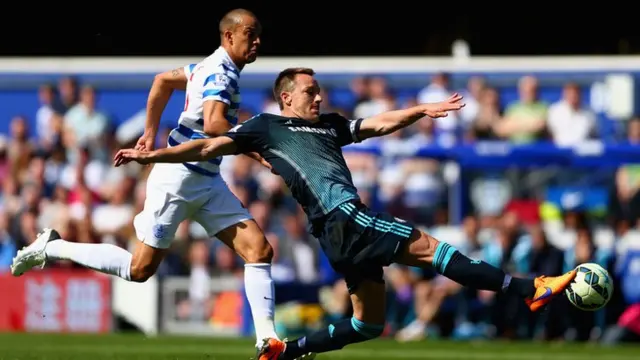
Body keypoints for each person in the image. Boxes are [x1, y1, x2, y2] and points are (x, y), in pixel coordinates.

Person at [114, 67, 578, 360]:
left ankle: (288, 351)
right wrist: (152, 156)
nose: (319, 98)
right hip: (344, 217)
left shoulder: (331, 125)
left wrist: (422, 109)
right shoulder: (266, 128)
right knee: (431, 248)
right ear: (287, 98)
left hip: (334, 233)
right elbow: (209, 144)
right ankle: (528, 288)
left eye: (319, 91)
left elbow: (378, 123)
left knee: (367, 324)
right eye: (310, 92)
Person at [11, 8, 283, 351]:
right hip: (178, 180)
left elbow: (162, 81)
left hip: (206, 178)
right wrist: (261, 152)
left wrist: (150, 131)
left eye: (259, 34)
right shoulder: (221, 73)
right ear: (229, 36)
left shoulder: (207, 66)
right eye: (250, 34)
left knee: (258, 249)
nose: (257, 41)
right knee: (139, 269)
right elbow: (214, 125)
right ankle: (51, 247)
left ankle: (267, 343)